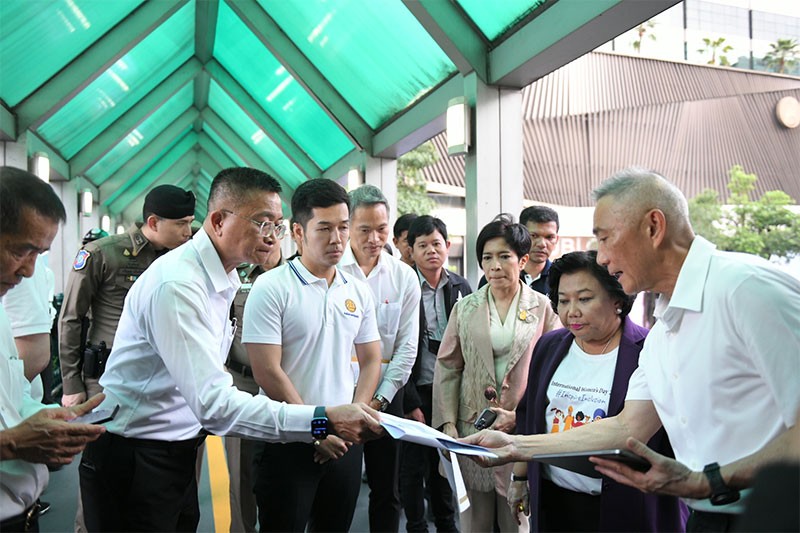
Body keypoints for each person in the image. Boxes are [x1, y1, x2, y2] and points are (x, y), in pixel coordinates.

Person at [462, 168, 800, 533]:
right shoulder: (663, 331)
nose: (602, 258)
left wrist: (711, 480)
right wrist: (516, 446)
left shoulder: (746, 290)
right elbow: (627, 425)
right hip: (708, 516)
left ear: (653, 227)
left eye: (606, 239)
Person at [78, 168, 384, 532]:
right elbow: (215, 405)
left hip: (172, 450)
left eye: (277, 225)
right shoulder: (179, 285)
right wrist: (322, 420)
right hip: (136, 457)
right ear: (219, 220)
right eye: (261, 223)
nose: (272, 237)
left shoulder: (224, 278)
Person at [510, 250, 686, 531]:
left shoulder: (648, 350)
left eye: (584, 299)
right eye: (563, 301)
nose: (571, 312)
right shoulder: (550, 346)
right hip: (556, 500)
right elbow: (530, 417)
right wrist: (520, 476)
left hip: (628, 505)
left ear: (617, 300)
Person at [243, 178, 382, 532]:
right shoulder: (271, 288)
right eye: (324, 228)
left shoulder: (357, 290)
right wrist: (316, 428)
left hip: (344, 444)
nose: (337, 239)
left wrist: (355, 418)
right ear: (298, 232)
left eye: (342, 227)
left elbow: (370, 360)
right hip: (286, 438)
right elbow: (267, 371)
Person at [432, 215, 560, 532]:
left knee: (516, 520)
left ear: (523, 260)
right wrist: (447, 424)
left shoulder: (541, 306)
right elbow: (448, 366)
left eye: (504, 256)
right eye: (487, 257)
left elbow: (554, 368)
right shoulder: (467, 307)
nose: (495, 265)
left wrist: (525, 414)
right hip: (469, 429)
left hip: (517, 429)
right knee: (474, 522)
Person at [0, 166, 106, 533]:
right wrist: (12, 443)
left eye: (40, 255)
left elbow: (7, 399)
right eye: (21, 251)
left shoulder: (1, 310)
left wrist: (47, 418)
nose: (29, 271)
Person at [59, 184, 196, 408]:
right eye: (181, 223)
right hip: (108, 376)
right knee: (101, 439)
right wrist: (71, 383)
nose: (188, 232)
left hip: (165, 377)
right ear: (153, 223)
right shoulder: (102, 254)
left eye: (190, 222)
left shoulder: (182, 259)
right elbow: (71, 318)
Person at [340, 185, 421, 532]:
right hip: (338, 391)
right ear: (347, 227)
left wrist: (380, 397)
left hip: (388, 393)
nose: (375, 238)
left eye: (382, 229)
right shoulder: (333, 270)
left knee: (387, 488)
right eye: (364, 230)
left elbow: (407, 346)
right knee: (336, 484)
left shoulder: (403, 276)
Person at [400, 215, 471, 533]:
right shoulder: (403, 286)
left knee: (445, 463)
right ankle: (416, 526)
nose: (431, 251)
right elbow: (397, 347)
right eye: (422, 245)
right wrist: (410, 400)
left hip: (449, 391)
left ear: (448, 246)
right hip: (414, 388)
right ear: (410, 250)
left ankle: (446, 524)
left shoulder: (460, 285)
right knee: (412, 467)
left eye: (436, 243)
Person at [224, 224, 286, 533]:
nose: (268, 241)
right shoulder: (236, 278)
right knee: (241, 474)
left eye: (275, 233)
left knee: (285, 472)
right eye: (262, 235)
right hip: (243, 384)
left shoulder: (297, 276)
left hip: (286, 385)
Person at [478, 207, 560, 296]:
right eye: (534, 235)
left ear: (557, 239)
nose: (542, 244)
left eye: (549, 237)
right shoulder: (495, 277)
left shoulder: (560, 278)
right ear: (521, 235)